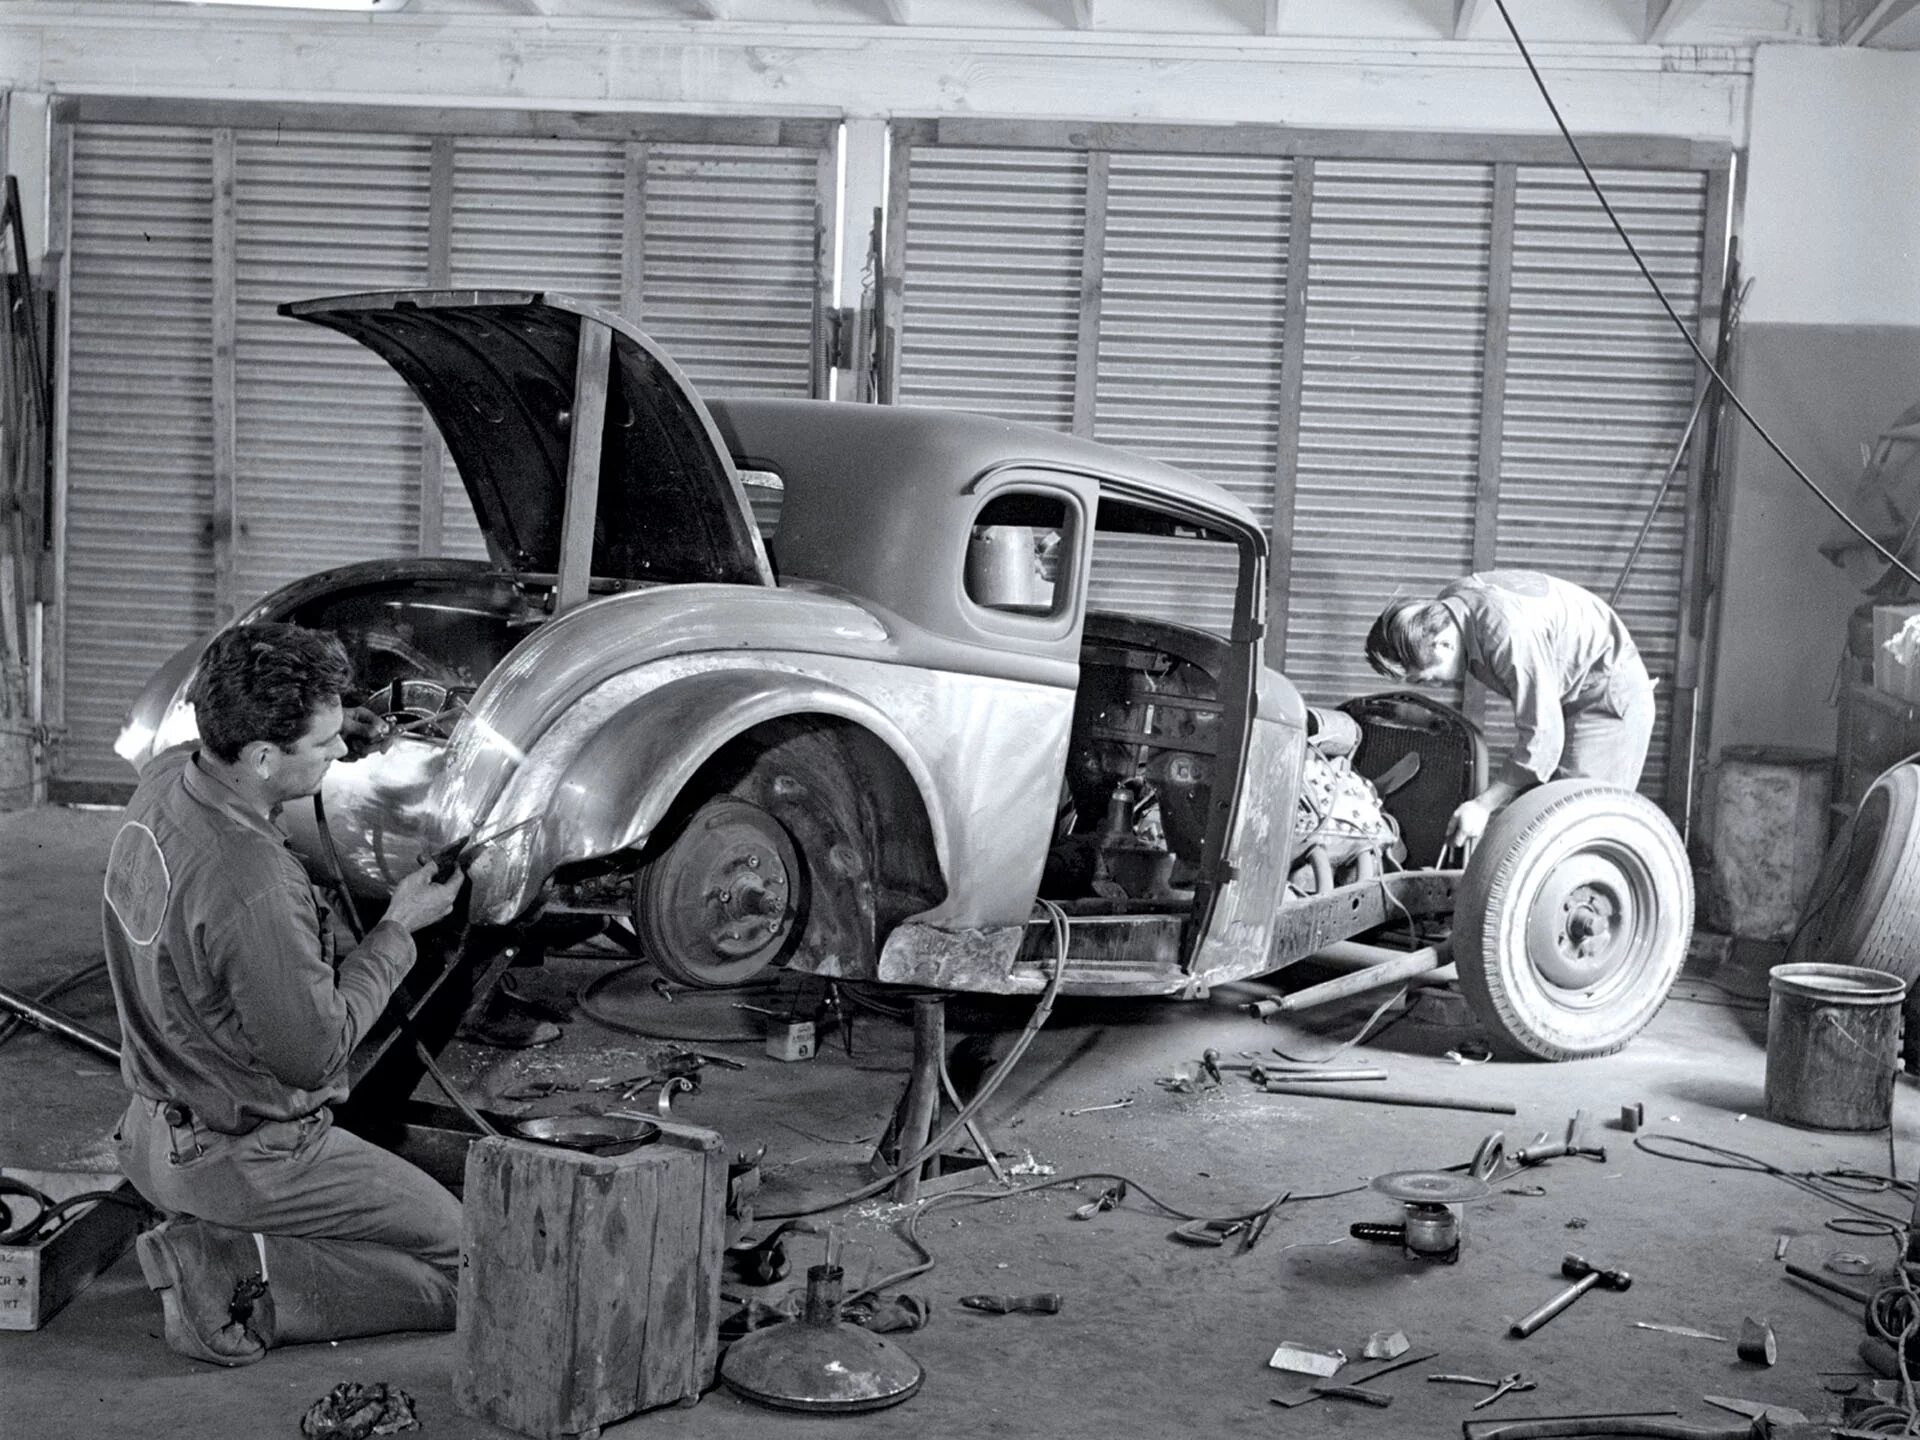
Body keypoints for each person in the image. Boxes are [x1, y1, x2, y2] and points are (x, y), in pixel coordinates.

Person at [103, 622, 466, 1367]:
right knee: (477, 1262)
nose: (339, 754)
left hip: (153, 1131)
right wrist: (400, 926)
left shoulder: (173, 777)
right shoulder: (252, 882)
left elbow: (255, 752)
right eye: (324, 744)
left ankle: (231, 1235)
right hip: (245, 1156)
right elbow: (314, 1053)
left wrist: (344, 728)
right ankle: (233, 1273)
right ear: (264, 756)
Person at [1363, 569, 1655, 849]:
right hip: (1568, 694)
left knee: (1576, 826)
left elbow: (1543, 742)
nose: (1435, 687)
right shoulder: (1451, 605)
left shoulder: (1507, 635)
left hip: (1606, 696)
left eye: (1428, 678)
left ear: (1442, 644)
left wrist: (1483, 805)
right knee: (1534, 819)